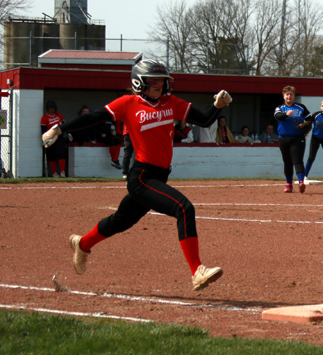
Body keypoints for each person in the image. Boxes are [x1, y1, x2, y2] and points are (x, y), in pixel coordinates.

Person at [41, 59, 233, 291]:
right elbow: (94, 117)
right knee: (184, 208)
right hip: (141, 177)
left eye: (162, 81)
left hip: (159, 176)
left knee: (121, 221)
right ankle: (197, 271)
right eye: (154, 81)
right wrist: (59, 128)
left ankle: (82, 244)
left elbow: (204, 119)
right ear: (139, 82)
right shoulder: (128, 103)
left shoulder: (171, 102)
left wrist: (218, 104)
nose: (160, 85)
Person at [274, 85, 311, 193]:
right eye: (287, 94)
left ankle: (301, 182)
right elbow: (277, 116)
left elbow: (309, 119)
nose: (289, 96)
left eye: (291, 94)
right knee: (287, 162)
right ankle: (289, 185)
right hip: (283, 139)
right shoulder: (280, 108)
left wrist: (306, 125)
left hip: (298, 138)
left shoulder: (300, 107)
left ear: (294, 96)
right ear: (283, 96)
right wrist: (286, 114)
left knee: (297, 160)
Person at [41, 100, 68, 177]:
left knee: (61, 153)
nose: (52, 109)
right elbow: (43, 130)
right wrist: (44, 140)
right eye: (50, 108)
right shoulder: (45, 118)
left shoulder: (59, 115)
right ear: (48, 109)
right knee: (51, 155)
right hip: (50, 138)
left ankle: (62, 172)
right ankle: (54, 173)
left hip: (59, 137)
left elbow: (63, 125)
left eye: (53, 108)